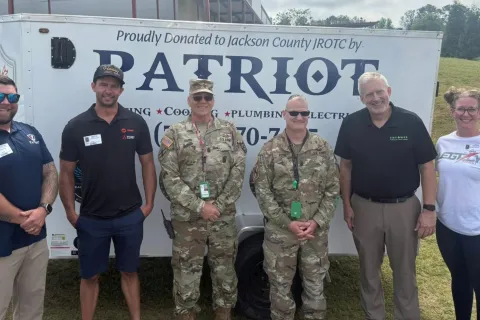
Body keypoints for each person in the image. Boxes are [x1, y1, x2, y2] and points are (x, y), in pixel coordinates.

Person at [335, 71, 437, 320]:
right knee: (369, 271)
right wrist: (347, 205)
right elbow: (345, 167)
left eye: (380, 91)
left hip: (404, 208)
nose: (376, 98)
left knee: (404, 271)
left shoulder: (410, 122)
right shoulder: (351, 124)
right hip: (364, 207)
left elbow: (427, 167)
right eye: (369, 94)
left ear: (388, 92)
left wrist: (429, 209)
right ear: (361, 99)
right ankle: (374, 316)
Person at [58, 64, 157, 320]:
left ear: (121, 91)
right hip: (91, 218)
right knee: (89, 276)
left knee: (130, 272)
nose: (108, 90)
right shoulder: (75, 126)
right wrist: (71, 213)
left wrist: (148, 205)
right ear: (93, 86)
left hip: (129, 216)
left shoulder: (135, 122)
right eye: (103, 84)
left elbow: (147, 163)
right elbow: (66, 173)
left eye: (114, 86)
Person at [157, 79, 247, 320]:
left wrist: (216, 206)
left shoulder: (230, 132)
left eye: (207, 97)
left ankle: (223, 313)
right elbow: (169, 178)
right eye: (197, 97)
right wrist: (200, 206)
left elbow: (238, 175)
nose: (203, 102)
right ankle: (186, 314)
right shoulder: (174, 133)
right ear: (189, 101)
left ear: (213, 101)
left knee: (224, 272)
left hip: (222, 216)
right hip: (188, 219)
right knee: (186, 273)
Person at [251, 94, 340, 320]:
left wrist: (316, 222)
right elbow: (262, 191)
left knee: (315, 286)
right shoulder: (270, 149)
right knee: (280, 288)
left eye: (304, 113)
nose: (299, 117)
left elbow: (333, 189)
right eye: (294, 113)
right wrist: (287, 223)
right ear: (284, 114)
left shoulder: (322, 148)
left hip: (314, 233)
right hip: (281, 232)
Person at [0, 75, 58, 320]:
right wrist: (22, 218)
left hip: (35, 240)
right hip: (4, 240)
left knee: (32, 308)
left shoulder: (30, 132)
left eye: (12, 97)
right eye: (0, 96)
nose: (5, 101)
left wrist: (43, 209)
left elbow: (50, 171)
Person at [435, 86, 480, 320]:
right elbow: (430, 175)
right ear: (452, 111)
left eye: (471, 109)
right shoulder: (443, 143)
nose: (466, 114)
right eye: (460, 109)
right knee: (459, 279)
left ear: (479, 112)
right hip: (448, 226)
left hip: (477, 230)